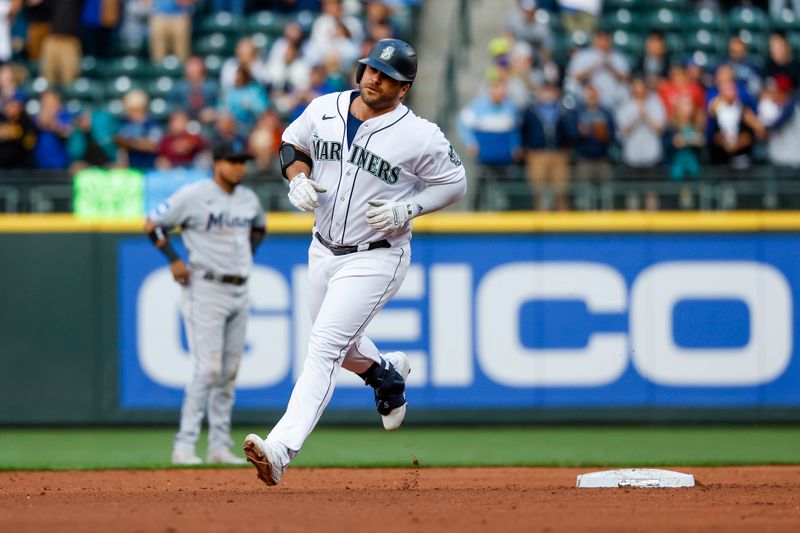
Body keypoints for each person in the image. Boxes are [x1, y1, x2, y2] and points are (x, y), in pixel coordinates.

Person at [242, 38, 466, 487]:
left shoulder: (419, 134)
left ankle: (281, 450)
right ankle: (386, 376)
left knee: (324, 346)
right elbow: (290, 144)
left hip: (377, 256)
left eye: (386, 76)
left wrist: (409, 209)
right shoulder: (325, 107)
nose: (374, 79)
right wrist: (297, 178)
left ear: (404, 88)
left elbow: (454, 182)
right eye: (370, 69)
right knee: (342, 350)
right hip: (322, 247)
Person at [145, 139, 266, 465]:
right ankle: (184, 446)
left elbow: (260, 226)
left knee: (228, 372)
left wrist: (248, 254)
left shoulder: (248, 198)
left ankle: (218, 446)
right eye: (234, 160)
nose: (241, 166)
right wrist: (173, 259)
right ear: (218, 163)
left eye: (244, 160)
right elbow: (153, 223)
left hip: (240, 289)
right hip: (206, 287)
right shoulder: (193, 195)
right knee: (208, 368)